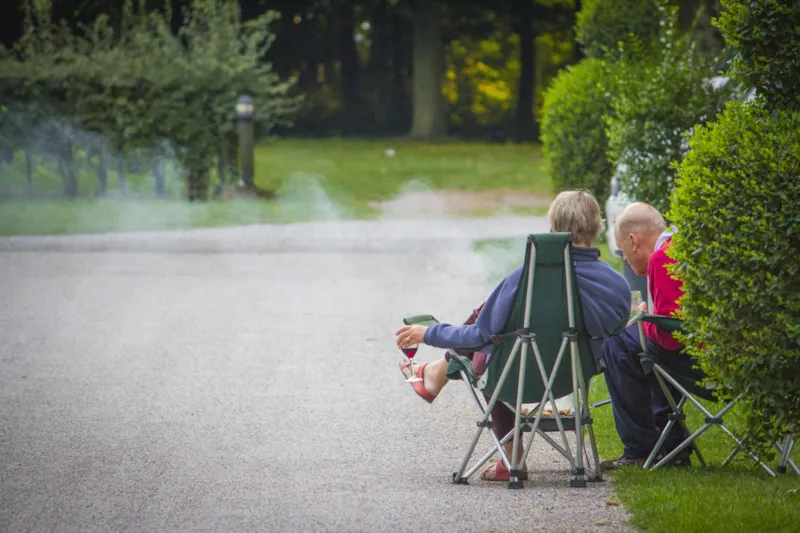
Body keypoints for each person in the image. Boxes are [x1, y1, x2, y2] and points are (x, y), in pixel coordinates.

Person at [395, 190, 631, 481]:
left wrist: (429, 333)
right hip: (571, 377)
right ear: (597, 228)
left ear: (552, 231)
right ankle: (435, 375)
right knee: (498, 330)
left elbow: (479, 334)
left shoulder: (524, 278)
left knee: (493, 346)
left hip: (515, 379)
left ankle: (511, 459)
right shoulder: (615, 284)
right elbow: (617, 332)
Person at [599, 202, 703, 470]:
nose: (624, 258)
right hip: (711, 352)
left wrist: (641, 320)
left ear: (634, 241)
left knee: (617, 342)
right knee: (642, 350)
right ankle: (671, 444)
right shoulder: (680, 245)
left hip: (696, 360)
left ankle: (640, 449)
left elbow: (670, 337)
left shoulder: (662, 258)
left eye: (622, 251)